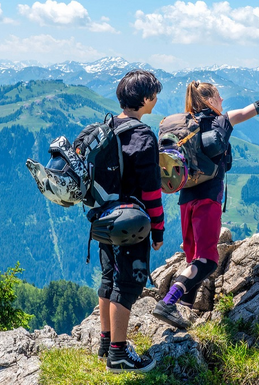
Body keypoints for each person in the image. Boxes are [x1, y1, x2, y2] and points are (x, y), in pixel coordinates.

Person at [152, 47, 259, 328]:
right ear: (210, 99)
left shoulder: (182, 125)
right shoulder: (222, 120)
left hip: (185, 199)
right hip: (208, 201)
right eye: (219, 95)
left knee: (193, 260)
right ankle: (168, 303)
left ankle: (183, 317)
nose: (223, 99)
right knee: (209, 260)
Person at [97, 70, 165, 373]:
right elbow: (151, 191)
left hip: (102, 219)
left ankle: (105, 342)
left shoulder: (105, 128)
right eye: (155, 95)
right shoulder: (143, 135)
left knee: (109, 278)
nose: (156, 99)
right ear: (146, 99)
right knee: (127, 284)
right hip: (130, 223)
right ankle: (119, 355)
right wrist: (158, 230)